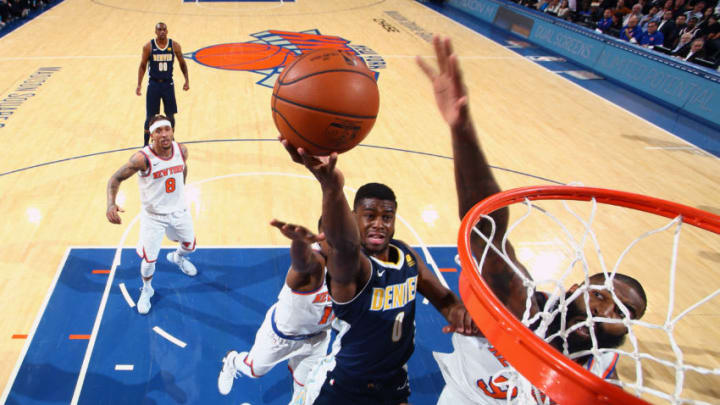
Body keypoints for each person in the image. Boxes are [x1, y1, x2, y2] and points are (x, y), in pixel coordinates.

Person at [416, 36, 648, 404]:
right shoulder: (521, 304)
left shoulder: (603, 373)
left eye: (622, 312)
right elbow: (485, 231)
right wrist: (461, 130)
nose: (604, 311)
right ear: (573, 289)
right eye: (600, 295)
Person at [279, 143, 479, 404]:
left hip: (393, 382)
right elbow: (343, 244)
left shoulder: (406, 255)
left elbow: (446, 301)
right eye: (369, 216)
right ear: (353, 217)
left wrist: (460, 314)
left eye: (387, 217)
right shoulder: (354, 266)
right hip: (347, 384)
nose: (379, 224)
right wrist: (330, 187)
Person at [217, 218, 333, 403]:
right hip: (282, 337)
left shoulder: (358, 268)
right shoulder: (313, 265)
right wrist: (300, 244)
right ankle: (232, 360)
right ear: (319, 239)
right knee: (254, 371)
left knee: (306, 390)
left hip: (318, 339)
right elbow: (302, 264)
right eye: (333, 237)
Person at [106, 114, 198, 315]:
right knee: (149, 261)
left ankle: (178, 258)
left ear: (172, 131)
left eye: (167, 129)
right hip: (154, 217)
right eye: (159, 131)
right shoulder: (142, 159)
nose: (164, 134)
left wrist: (180, 189)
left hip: (178, 210)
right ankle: (147, 289)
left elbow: (183, 168)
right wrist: (111, 204)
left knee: (190, 246)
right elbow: (115, 178)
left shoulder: (181, 151)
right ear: (151, 135)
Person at [136, 22, 190, 147]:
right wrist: (139, 84)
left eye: (164, 29)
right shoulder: (148, 46)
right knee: (150, 117)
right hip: (154, 84)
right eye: (159, 29)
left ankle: (171, 140)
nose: (162, 32)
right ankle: (145, 144)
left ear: (167, 31)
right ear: (155, 31)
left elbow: (182, 63)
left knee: (170, 116)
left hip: (168, 85)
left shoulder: (174, 45)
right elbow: (143, 65)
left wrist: (187, 80)